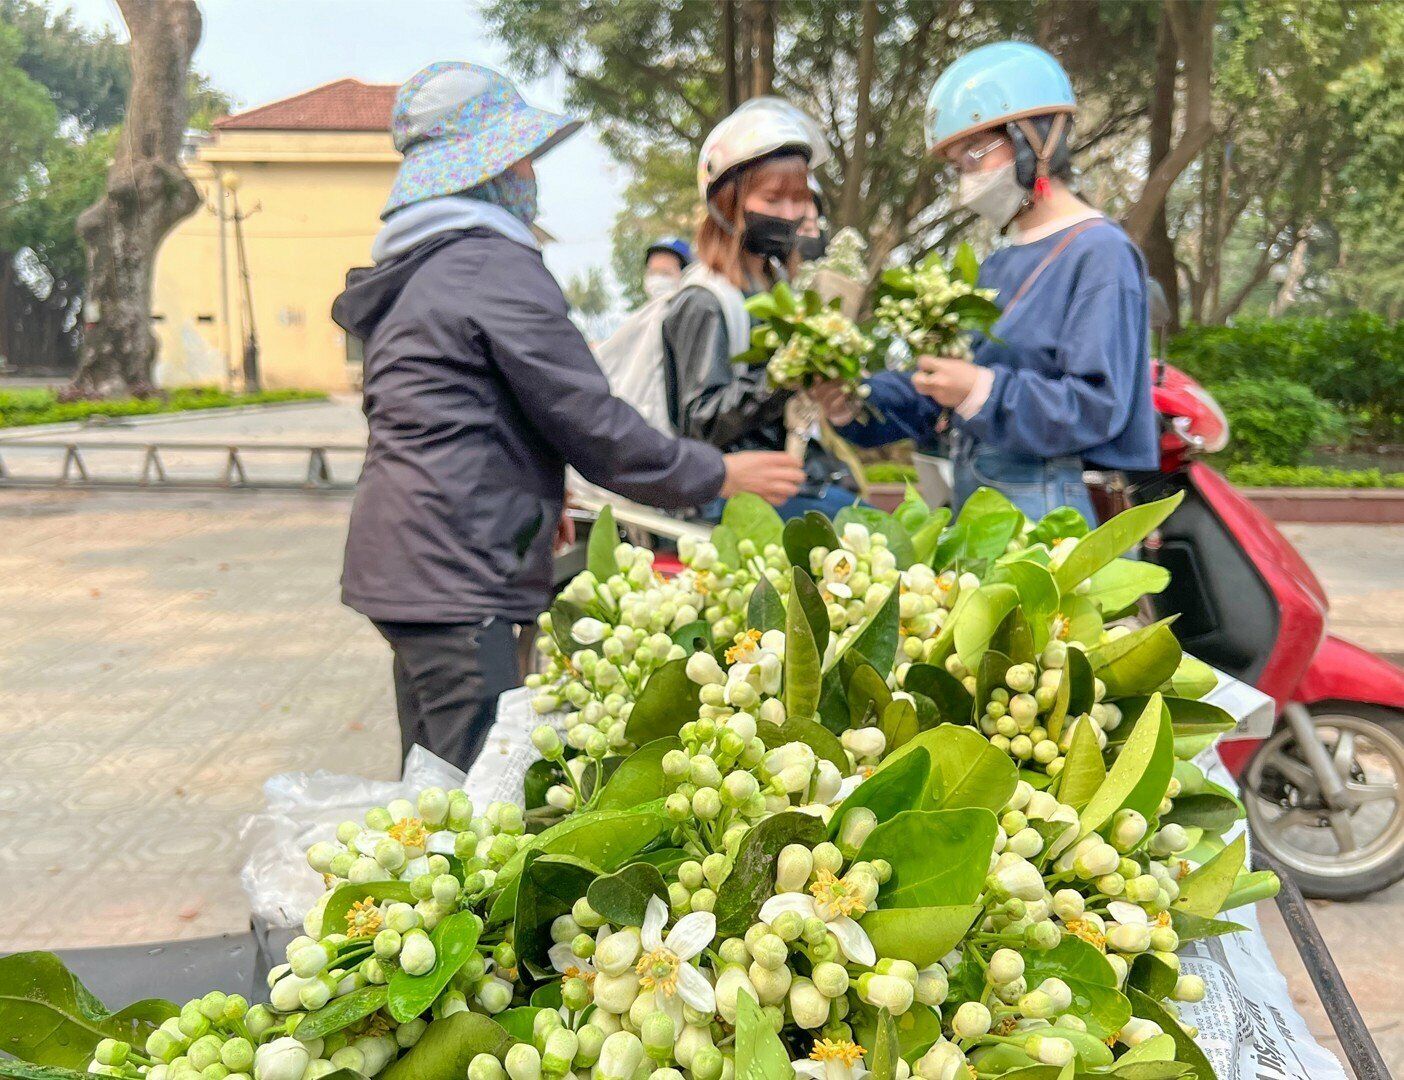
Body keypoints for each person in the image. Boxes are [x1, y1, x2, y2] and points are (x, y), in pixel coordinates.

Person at [331, 63, 804, 771]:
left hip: (412, 558)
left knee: (434, 777)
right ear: (488, 169)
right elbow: (593, 424)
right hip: (458, 568)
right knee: (478, 800)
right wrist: (720, 472)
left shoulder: (426, 269)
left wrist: (535, 491)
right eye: (518, 156)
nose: (529, 174)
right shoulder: (489, 265)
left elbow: (458, 415)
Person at [814, 42, 1157, 523]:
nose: (966, 181)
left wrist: (982, 388)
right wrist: (857, 402)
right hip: (983, 507)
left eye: (974, 156)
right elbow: (938, 394)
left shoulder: (1101, 254)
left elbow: (1097, 405)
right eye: (957, 167)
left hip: (1063, 515)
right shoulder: (997, 265)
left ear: (1034, 140)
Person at [663, 97, 862, 522]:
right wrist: (781, 377)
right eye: (773, 199)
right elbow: (699, 421)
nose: (790, 215)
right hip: (731, 505)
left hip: (787, 483)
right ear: (727, 201)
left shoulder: (778, 285)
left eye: (799, 200)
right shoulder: (705, 300)